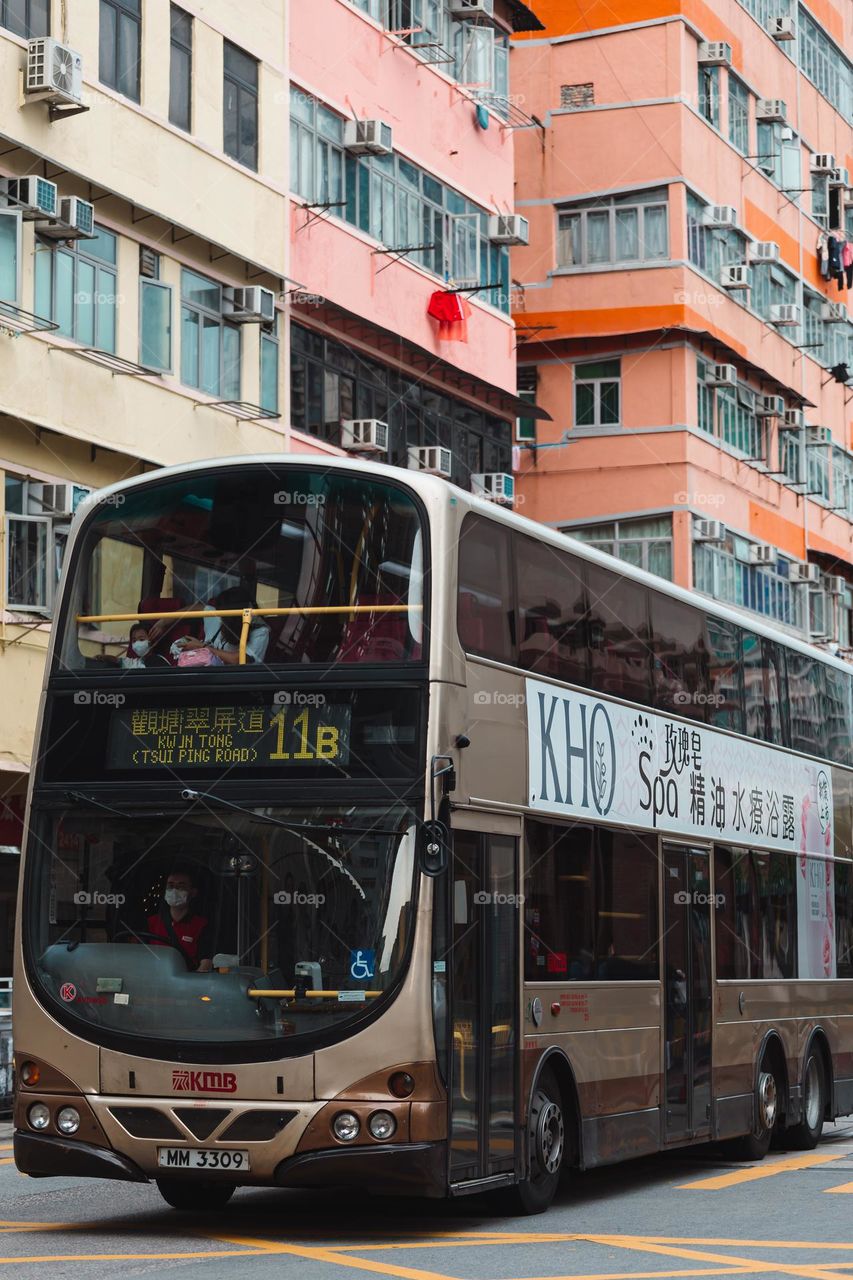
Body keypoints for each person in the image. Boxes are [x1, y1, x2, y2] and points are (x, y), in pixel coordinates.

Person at [173, 584, 270, 667]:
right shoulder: (218, 617)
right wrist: (163, 621)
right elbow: (196, 608)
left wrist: (202, 646)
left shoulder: (260, 632)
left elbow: (238, 660)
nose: (221, 619)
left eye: (226, 616)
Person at [147, 867, 212, 972]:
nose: (174, 890)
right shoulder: (151, 922)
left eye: (181, 886)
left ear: (193, 892)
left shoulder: (201, 925)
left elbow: (206, 964)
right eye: (170, 885)